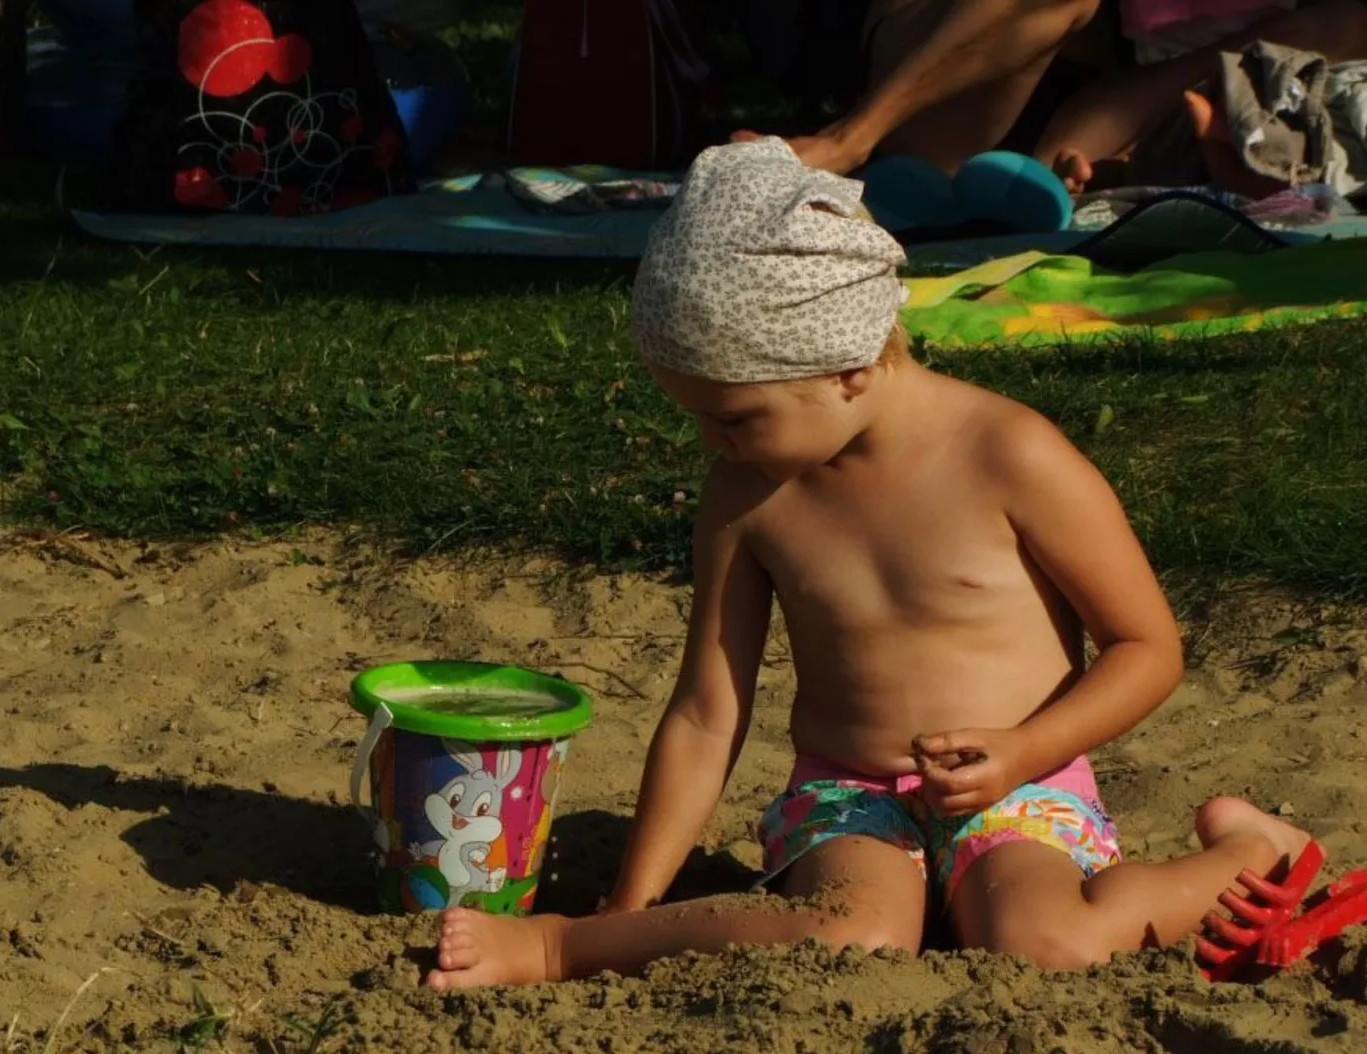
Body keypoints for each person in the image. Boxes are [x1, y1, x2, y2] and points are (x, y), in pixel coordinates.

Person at [426, 137, 1316, 991]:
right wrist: (629, 909)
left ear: (847, 366)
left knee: (1049, 943)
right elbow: (707, 711)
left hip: (1021, 786)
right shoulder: (746, 494)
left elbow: (1147, 646)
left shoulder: (1011, 455)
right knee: (855, 933)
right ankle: (564, 946)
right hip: (850, 796)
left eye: (734, 418)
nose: (710, 443)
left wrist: (1020, 752)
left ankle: (1253, 852)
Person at [740, 0, 1367, 181]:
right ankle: (846, 143)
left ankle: (1090, 178)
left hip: (1100, 112)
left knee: (1347, 25)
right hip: (941, 97)